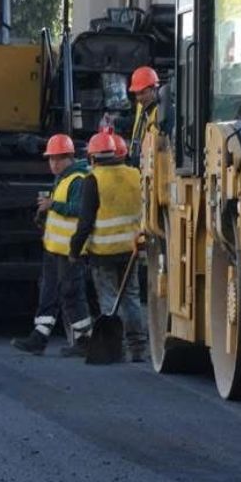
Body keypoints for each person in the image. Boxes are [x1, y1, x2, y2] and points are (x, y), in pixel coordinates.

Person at [70, 130, 148, 362]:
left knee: (109, 300)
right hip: (131, 249)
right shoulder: (135, 175)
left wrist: (75, 250)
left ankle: (115, 348)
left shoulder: (93, 180)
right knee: (132, 297)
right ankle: (138, 348)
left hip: (103, 253)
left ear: (92, 157)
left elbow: (85, 222)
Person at [11, 134, 91, 356]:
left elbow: (79, 210)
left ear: (70, 157)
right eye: (50, 159)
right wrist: (44, 215)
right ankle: (39, 337)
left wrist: (52, 204)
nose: (53, 164)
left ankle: (84, 339)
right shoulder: (64, 178)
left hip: (70, 250)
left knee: (71, 293)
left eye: (58, 159)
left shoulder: (79, 179)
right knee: (48, 293)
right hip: (55, 248)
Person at [128, 66, 171, 165]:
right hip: (136, 160)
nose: (139, 98)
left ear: (154, 89)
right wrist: (116, 121)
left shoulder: (160, 112)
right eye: (137, 94)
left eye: (142, 93)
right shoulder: (141, 105)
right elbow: (135, 121)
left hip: (149, 164)